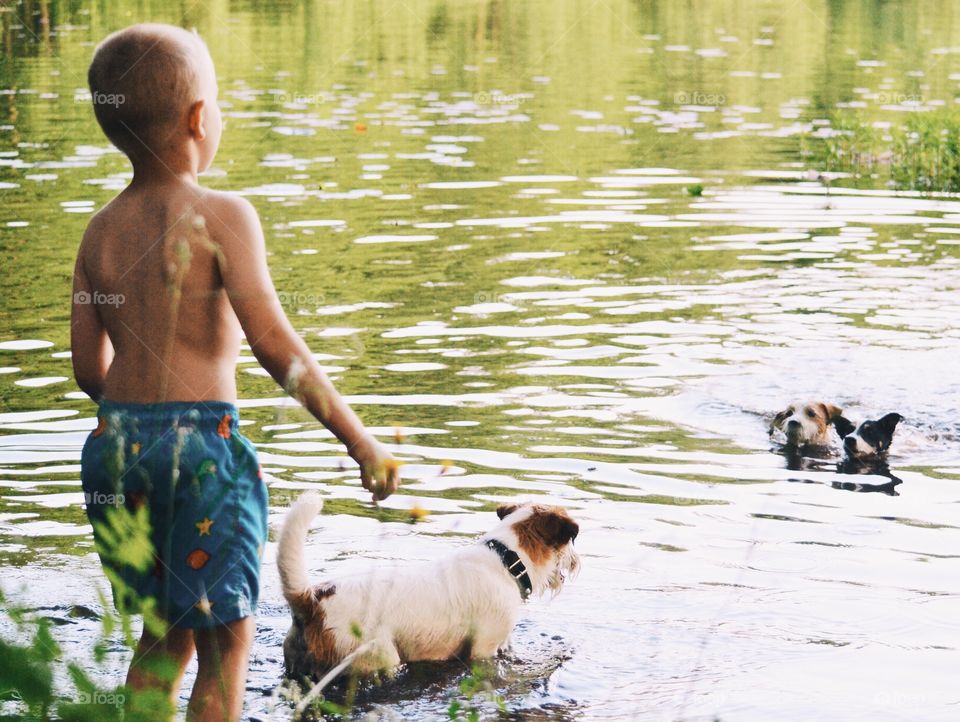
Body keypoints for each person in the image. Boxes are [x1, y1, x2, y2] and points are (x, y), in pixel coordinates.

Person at [71, 23, 400, 721]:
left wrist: (140, 422)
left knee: (163, 633)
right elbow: (275, 345)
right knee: (227, 643)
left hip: (113, 454)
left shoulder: (98, 231)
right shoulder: (224, 215)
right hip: (200, 456)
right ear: (198, 119)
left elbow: (86, 368)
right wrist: (358, 439)